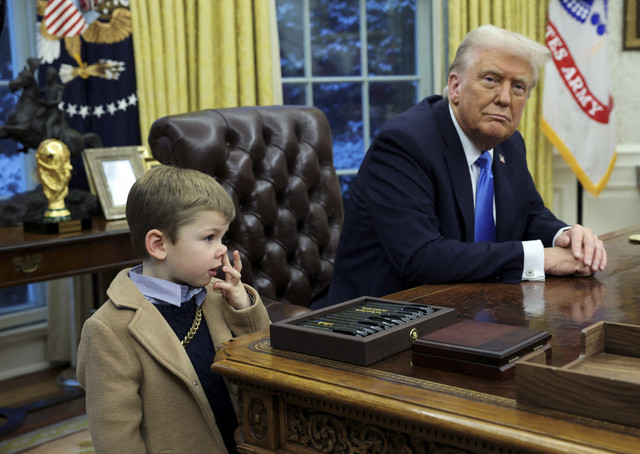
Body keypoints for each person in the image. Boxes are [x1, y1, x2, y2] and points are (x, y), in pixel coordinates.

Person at [313, 24, 606, 309]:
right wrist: (543, 258)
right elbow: (422, 258)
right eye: (491, 79)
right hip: (378, 320)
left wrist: (564, 236)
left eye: (518, 87)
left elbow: (528, 213)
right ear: (455, 86)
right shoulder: (404, 143)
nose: (505, 98)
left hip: (469, 312)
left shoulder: (509, 144)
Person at [77, 165, 270, 454]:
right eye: (209, 238)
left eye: (222, 237)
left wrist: (243, 306)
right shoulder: (108, 331)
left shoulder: (218, 297)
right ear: (158, 244)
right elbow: (116, 440)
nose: (222, 250)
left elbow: (267, 360)